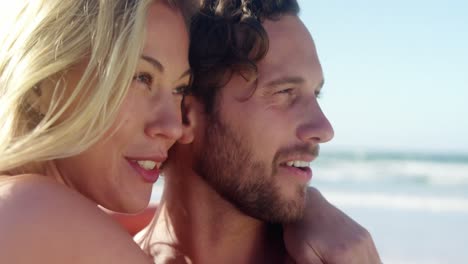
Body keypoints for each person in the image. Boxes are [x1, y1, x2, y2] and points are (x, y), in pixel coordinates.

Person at [135, 0, 382, 263]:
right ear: (185, 115)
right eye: (285, 92)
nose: (324, 129)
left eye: (316, 94)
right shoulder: (108, 252)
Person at [0, 0, 193, 263]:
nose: (173, 127)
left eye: (180, 89)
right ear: (43, 84)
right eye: (141, 78)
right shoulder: (40, 212)